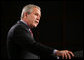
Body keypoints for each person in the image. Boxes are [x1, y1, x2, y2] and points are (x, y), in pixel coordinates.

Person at [7, 4, 74, 59]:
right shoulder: (18, 28)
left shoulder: (25, 29)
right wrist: (56, 52)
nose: (38, 18)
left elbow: (34, 52)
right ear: (26, 15)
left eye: (40, 16)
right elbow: (32, 46)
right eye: (36, 14)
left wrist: (56, 56)